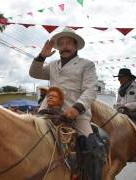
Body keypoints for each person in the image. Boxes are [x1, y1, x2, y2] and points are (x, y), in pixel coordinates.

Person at [29, 27, 104, 180]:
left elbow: (91, 90)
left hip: (77, 115)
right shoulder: (52, 65)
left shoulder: (87, 65)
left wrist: (76, 109)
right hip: (48, 111)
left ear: (75, 46)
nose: (64, 46)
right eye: (61, 44)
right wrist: (41, 56)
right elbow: (34, 73)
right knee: (26, 136)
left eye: (68, 43)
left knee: (91, 148)